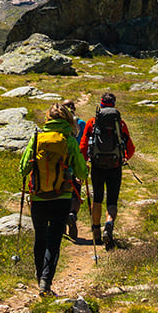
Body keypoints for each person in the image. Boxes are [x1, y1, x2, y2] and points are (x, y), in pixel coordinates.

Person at [19, 103, 88, 296]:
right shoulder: (69, 139)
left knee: (40, 237)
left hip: (38, 196)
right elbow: (82, 172)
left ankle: (39, 274)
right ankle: (46, 282)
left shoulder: (36, 137)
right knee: (54, 240)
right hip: (62, 196)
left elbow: (23, 168)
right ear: (67, 119)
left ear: (48, 118)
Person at [80, 92, 135, 251]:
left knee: (97, 197)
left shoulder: (92, 122)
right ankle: (109, 225)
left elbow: (83, 146)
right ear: (114, 105)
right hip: (115, 167)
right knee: (112, 200)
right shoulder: (121, 124)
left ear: (101, 104)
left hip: (97, 166)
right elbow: (130, 148)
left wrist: (85, 161)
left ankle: (96, 230)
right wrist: (124, 158)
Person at [62, 99, 86, 240]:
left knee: (60, 194)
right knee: (76, 195)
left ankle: (62, 224)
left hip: (59, 165)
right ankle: (72, 214)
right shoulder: (81, 123)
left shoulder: (59, 125)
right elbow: (84, 144)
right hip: (76, 163)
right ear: (74, 109)